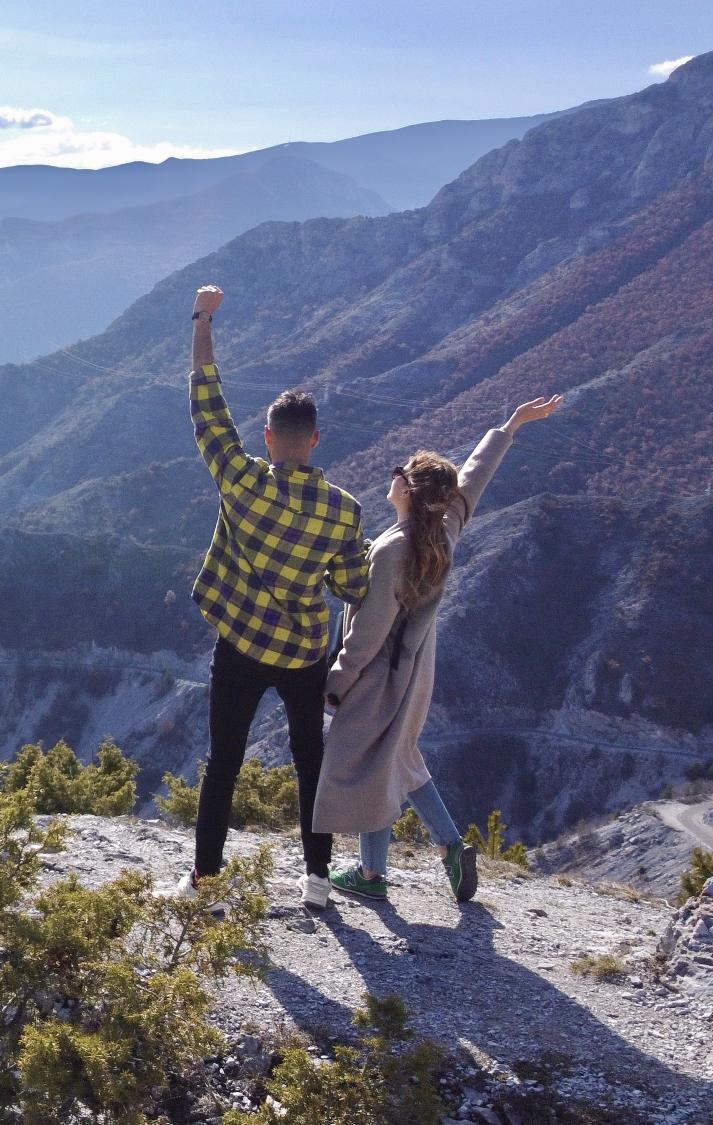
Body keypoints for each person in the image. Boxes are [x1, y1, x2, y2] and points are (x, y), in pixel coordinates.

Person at [314, 393, 565, 903]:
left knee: (371, 763)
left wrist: (336, 682)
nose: (391, 476)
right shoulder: (443, 531)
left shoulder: (392, 549)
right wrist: (509, 425)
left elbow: (369, 632)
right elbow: (471, 480)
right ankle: (450, 848)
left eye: (397, 471)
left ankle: (372, 877)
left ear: (407, 487)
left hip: (379, 673)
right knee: (398, 756)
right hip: (418, 667)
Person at [177, 284, 370, 911]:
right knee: (308, 756)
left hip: (239, 644)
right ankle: (318, 880)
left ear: (267, 436)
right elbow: (352, 587)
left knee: (224, 762)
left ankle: (206, 885)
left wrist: (204, 318)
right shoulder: (344, 511)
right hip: (304, 652)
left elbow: (207, 403)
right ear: (315, 439)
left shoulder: (241, 481)